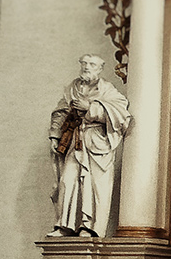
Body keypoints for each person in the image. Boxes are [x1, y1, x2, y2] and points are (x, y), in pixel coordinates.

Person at [48, 53, 131, 237]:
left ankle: (90, 226)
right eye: (84, 63)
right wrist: (55, 136)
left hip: (97, 143)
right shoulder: (72, 88)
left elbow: (121, 115)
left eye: (92, 64)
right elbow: (60, 111)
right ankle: (64, 225)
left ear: (100, 69)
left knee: (94, 185)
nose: (87, 67)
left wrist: (90, 108)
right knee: (67, 181)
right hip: (75, 140)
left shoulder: (107, 90)